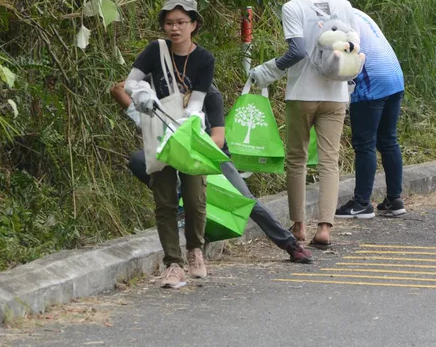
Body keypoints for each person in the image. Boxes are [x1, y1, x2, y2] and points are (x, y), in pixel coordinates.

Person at [113, 82, 313, 264]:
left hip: (210, 154)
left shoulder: (209, 92)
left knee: (246, 200)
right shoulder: (159, 87)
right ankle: (182, 205)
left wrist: (187, 149)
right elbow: (119, 91)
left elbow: (216, 139)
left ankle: (290, 245)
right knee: (139, 160)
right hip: (173, 152)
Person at [248, 0, 358, 248]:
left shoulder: (293, 7)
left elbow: (296, 51)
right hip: (336, 94)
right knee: (329, 160)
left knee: (296, 160)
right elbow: (354, 47)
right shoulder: (344, 5)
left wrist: (268, 70)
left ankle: (298, 226)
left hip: (302, 94)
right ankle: (324, 227)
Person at [124, 0, 213, 289]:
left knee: (195, 198)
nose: (175, 28)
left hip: (188, 132)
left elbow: (198, 100)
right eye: (169, 23)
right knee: (164, 201)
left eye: (181, 22)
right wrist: (143, 95)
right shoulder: (154, 50)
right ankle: (173, 264)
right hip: (158, 131)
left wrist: (190, 122)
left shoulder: (204, 59)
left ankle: (195, 250)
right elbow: (130, 82)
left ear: (194, 24)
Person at [335, 9, 406, 218]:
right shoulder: (358, 14)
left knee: (364, 143)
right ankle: (395, 199)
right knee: (388, 140)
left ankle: (362, 203)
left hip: (372, 82)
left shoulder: (338, 20)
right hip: (394, 77)